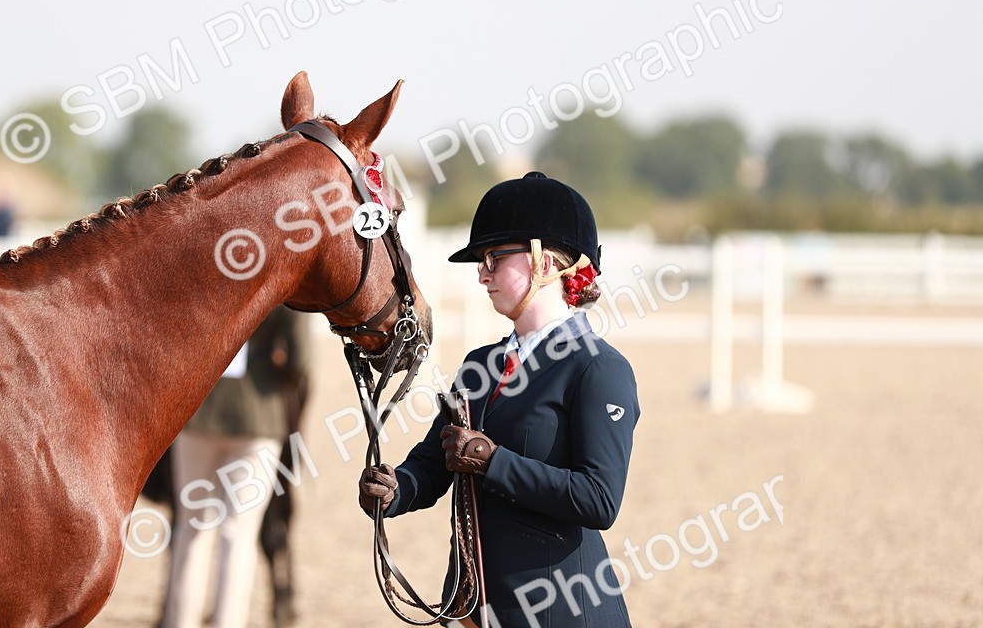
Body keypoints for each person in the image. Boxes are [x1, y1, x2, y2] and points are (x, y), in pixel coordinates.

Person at [358, 172, 640, 628]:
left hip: (560, 611)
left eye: (494, 257)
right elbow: (435, 462)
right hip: (471, 607)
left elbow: (598, 499)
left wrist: (494, 462)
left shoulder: (599, 369)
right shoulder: (478, 364)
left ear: (545, 263)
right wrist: (397, 488)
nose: (481, 272)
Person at [160, 307, 306, 628]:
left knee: (190, 527)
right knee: (238, 534)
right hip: (258, 413)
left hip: (197, 409)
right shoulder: (284, 273)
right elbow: (301, 360)